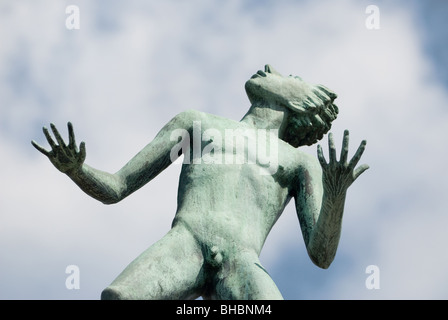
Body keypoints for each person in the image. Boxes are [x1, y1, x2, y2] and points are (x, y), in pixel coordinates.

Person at [32, 64, 369, 300]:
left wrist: (336, 193)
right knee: (119, 297)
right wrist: (77, 171)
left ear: (304, 102)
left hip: (242, 264)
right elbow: (117, 187)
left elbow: (321, 254)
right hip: (185, 243)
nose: (269, 68)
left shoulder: (299, 162)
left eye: (289, 76)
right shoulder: (196, 125)